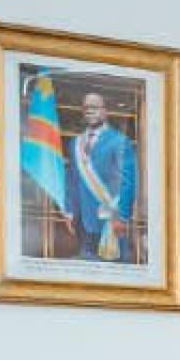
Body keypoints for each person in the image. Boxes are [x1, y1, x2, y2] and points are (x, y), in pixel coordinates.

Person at [64, 91, 140, 263]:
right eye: (86, 108)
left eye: (95, 107)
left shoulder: (119, 141)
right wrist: (69, 211)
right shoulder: (75, 143)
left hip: (110, 221)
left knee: (116, 271)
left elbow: (128, 182)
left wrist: (122, 217)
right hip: (82, 222)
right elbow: (71, 180)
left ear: (105, 111)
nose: (90, 111)